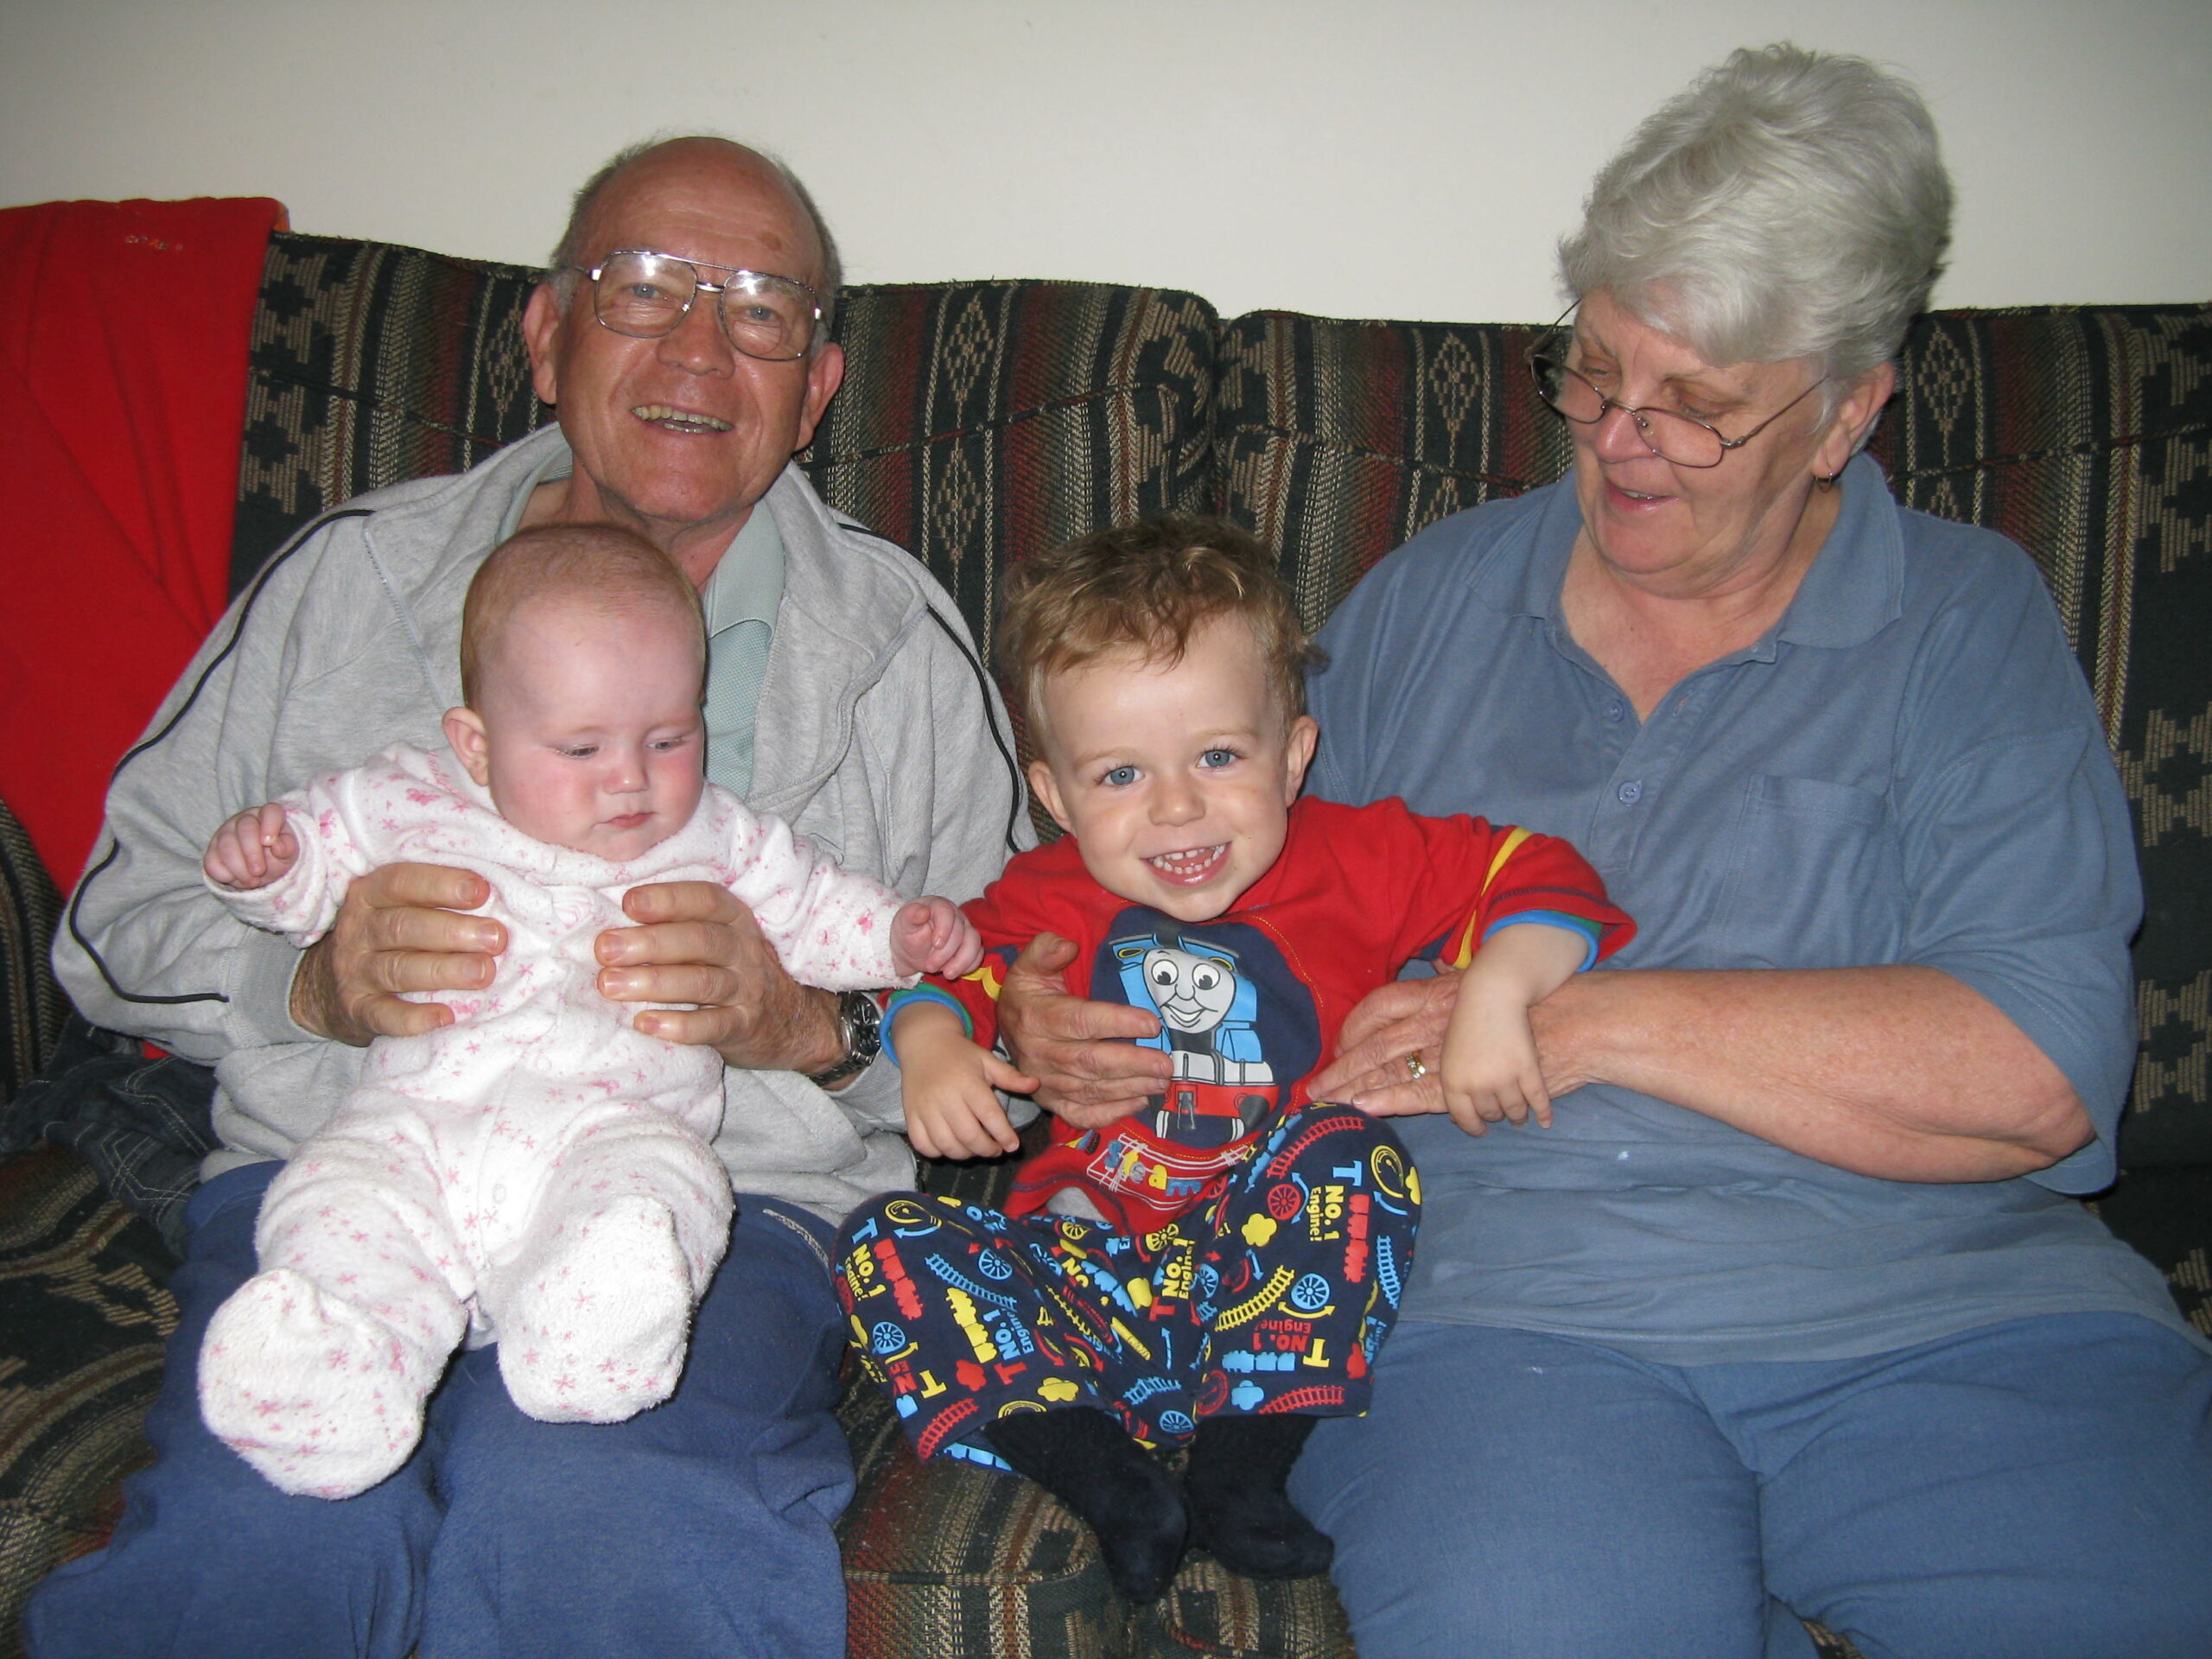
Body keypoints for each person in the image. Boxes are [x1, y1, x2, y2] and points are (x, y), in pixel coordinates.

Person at [994, 47, 2212, 1659]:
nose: (1622, 437)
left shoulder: (1967, 623)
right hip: (1503, 1328)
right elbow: (1187, 876)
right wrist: (1033, 1005)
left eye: (1697, 406)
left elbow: (2043, 1075)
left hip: (1953, 1316)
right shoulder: (1433, 603)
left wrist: (1580, 1020)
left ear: (1849, 408)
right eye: (1594, 373)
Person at [35, 137, 1023, 1658]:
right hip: (362, 1155)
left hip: (714, 1199)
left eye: (761, 309)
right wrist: (307, 984)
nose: (702, 345)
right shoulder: (352, 578)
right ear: (547, 333)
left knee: (595, 1513)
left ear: (815, 385)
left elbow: (1020, 988)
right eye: (646, 291)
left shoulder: (901, 646)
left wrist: (815, 1024)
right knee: (261, 1532)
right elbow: (116, 910)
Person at [836, 518, 1629, 1603]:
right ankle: (1096, 1470)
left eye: (1218, 755)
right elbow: (948, 976)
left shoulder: (1362, 855)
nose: (1176, 806)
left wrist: (1496, 988)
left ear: (1293, 752)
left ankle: (1242, 1465)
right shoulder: (1048, 896)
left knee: (1347, 1149)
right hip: (1090, 1276)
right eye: (1119, 774)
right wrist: (931, 1044)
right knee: (886, 1236)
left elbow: (1541, 872)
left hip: (1271, 1275)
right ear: (1055, 798)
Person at [197, 524, 982, 1500]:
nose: (631, 779)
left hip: (612, 1131)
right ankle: (331, 1367)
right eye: (581, 747)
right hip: (414, 1128)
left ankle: (590, 1330)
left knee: (657, 1196)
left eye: (670, 739)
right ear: (475, 745)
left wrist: (901, 938)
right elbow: (308, 855)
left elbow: (817, 907)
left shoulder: (716, 836)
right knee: (344, 1205)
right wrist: (271, 872)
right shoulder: (403, 799)